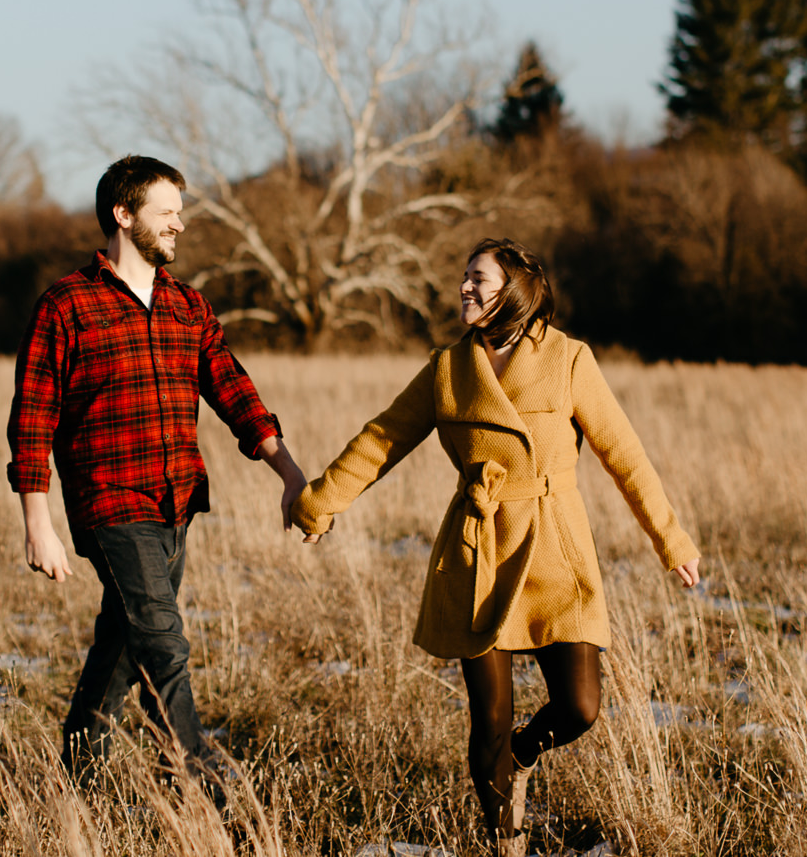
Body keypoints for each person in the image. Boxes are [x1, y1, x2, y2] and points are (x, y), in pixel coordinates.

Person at [289, 238, 701, 857]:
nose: (465, 287)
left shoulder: (567, 360)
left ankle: (525, 753)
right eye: (464, 277)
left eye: (478, 278)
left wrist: (670, 539)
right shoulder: (447, 368)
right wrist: (320, 501)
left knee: (581, 707)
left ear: (514, 290)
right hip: (478, 549)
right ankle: (504, 837)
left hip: (556, 545)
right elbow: (382, 439)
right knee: (489, 716)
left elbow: (626, 456)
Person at [7, 154, 309, 786]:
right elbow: (33, 416)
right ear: (123, 214)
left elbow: (232, 390)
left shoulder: (186, 307)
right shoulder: (66, 305)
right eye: (165, 213)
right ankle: (202, 792)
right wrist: (37, 522)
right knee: (165, 645)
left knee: (123, 646)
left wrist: (288, 469)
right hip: (110, 503)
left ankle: (79, 781)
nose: (178, 225)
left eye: (180, 213)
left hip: (177, 501)